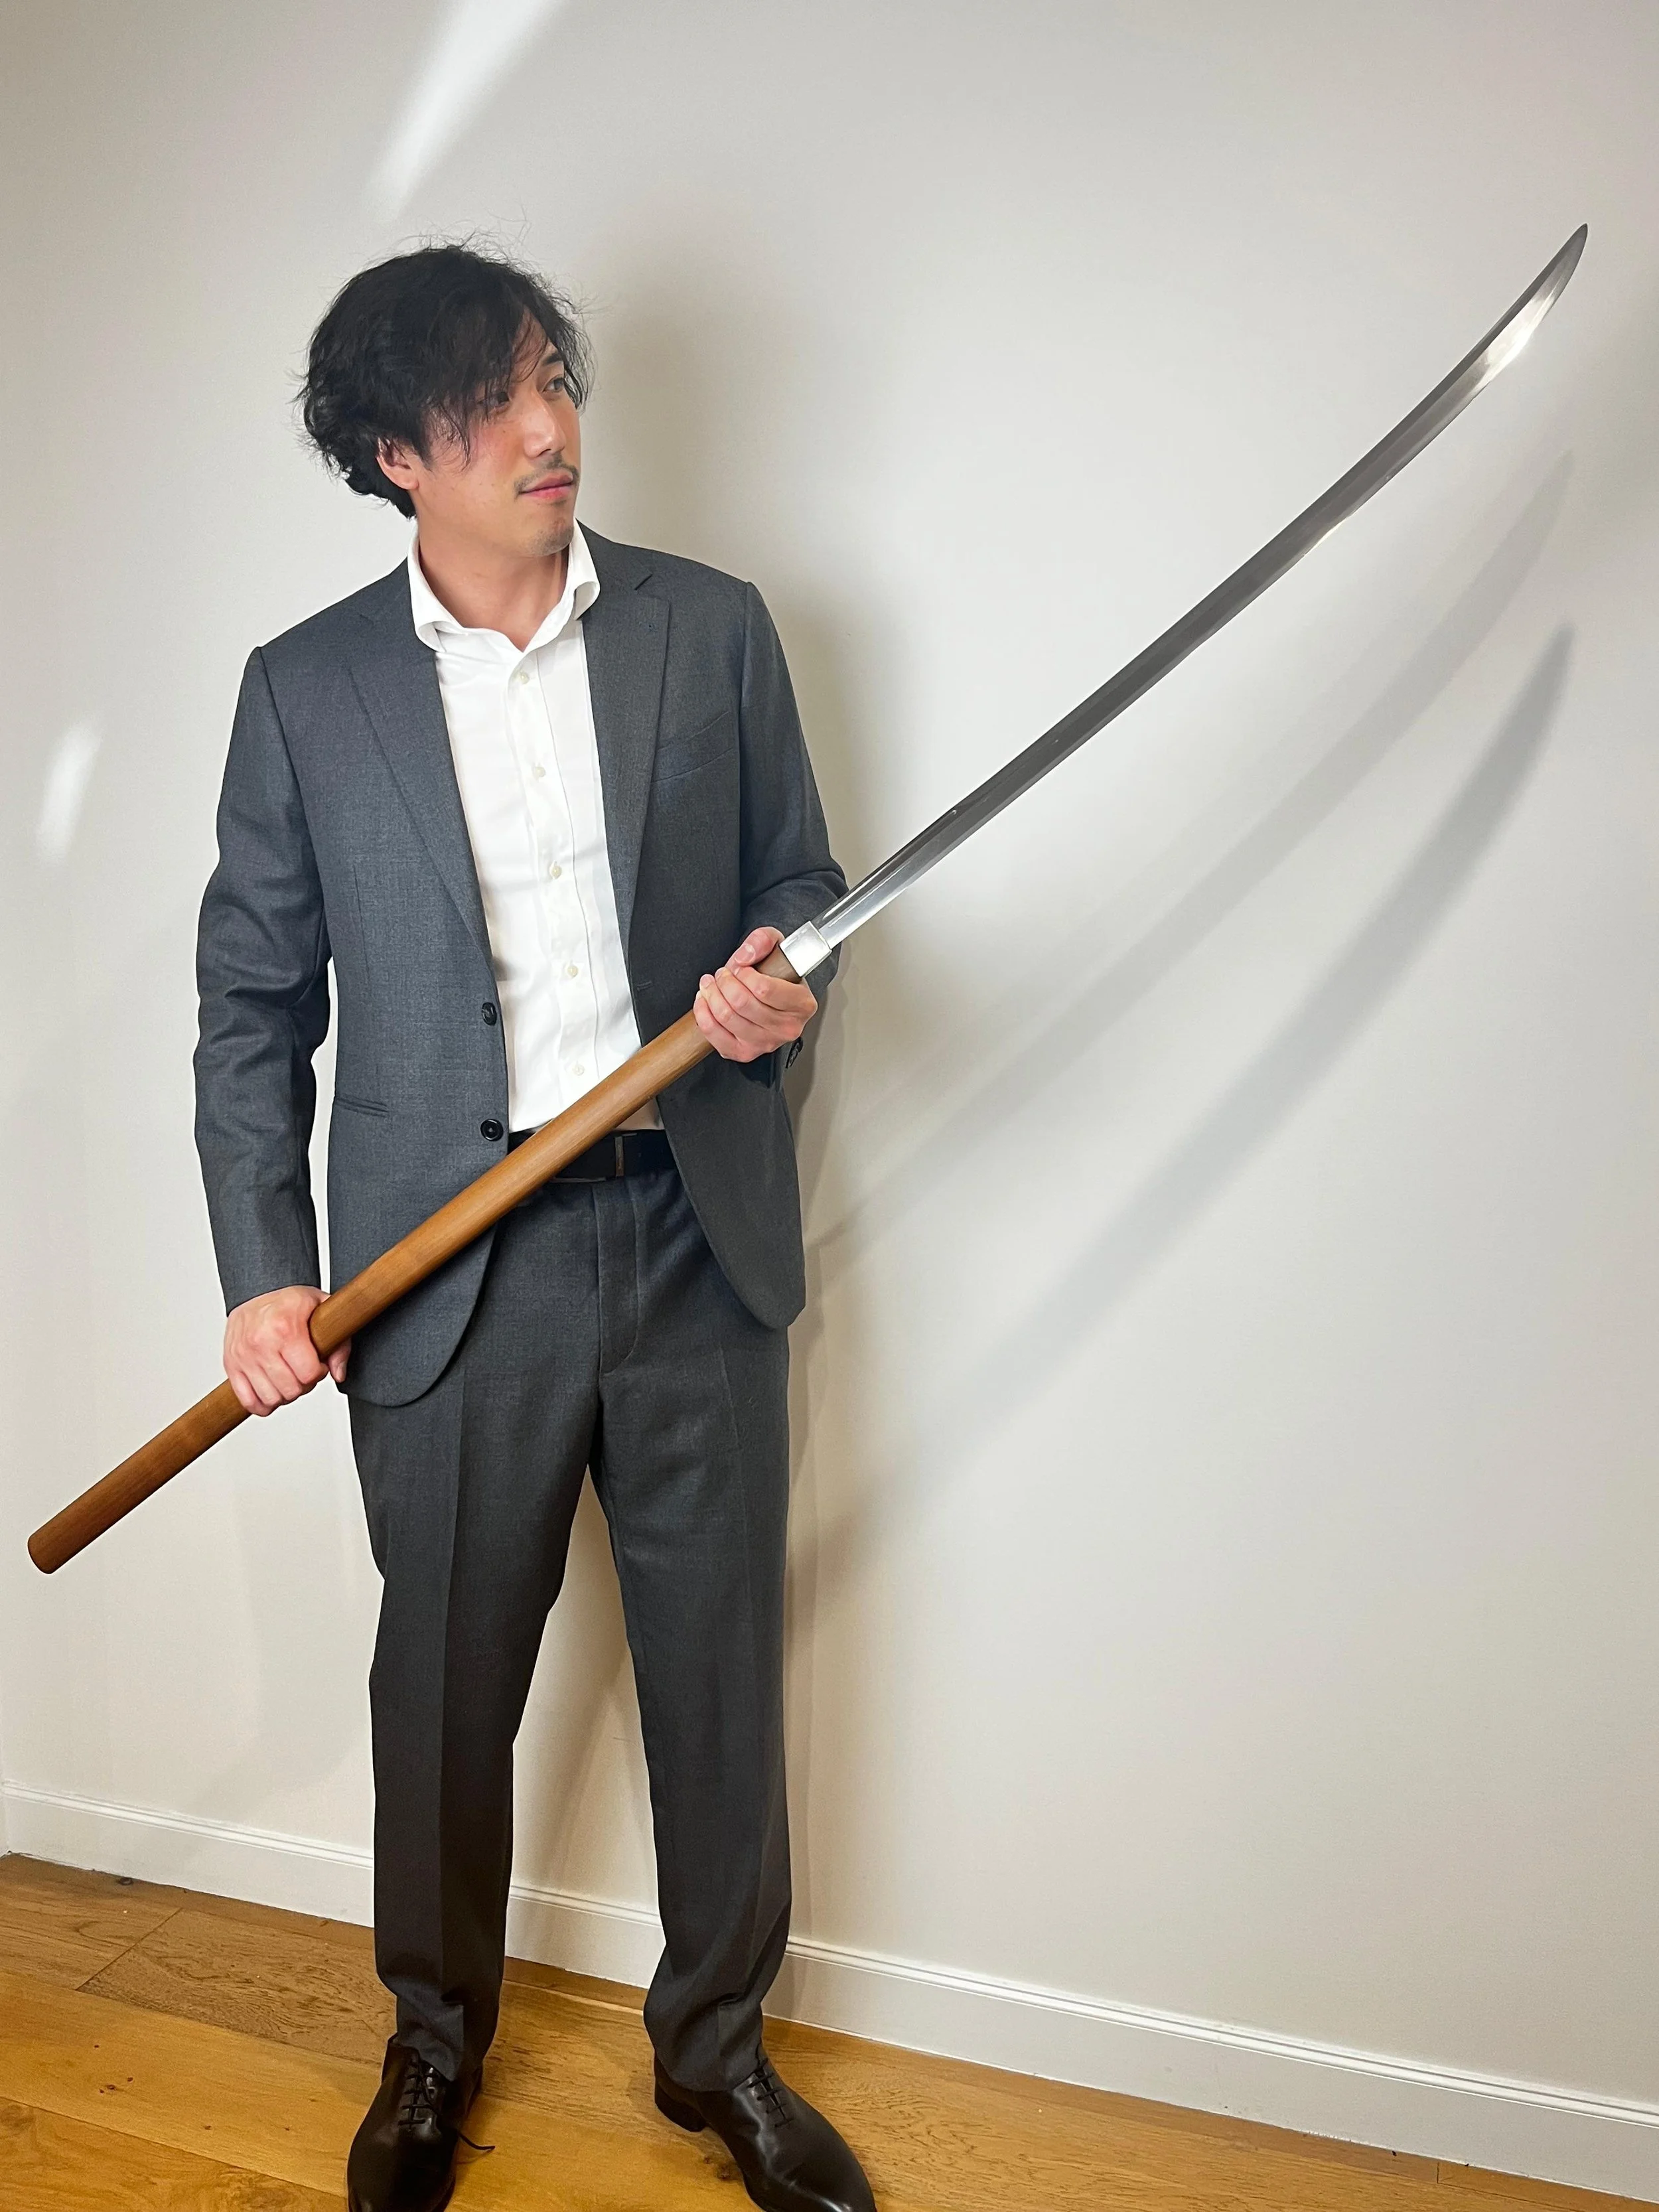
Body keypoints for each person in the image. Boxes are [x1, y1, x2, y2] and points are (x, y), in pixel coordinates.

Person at [192, 242, 873, 2212]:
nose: (547, 427)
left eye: (552, 379)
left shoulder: (708, 629)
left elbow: (802, 880)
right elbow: (252, 1002)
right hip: (441, 1276)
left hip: (691, 1235)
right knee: (441, 1687)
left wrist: (779, 976)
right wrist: (264, 1270)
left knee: (714, 1672)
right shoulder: (307, 691)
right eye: (490, 404)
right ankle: (431, 2048)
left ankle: (718, 2053)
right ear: (397, 457)